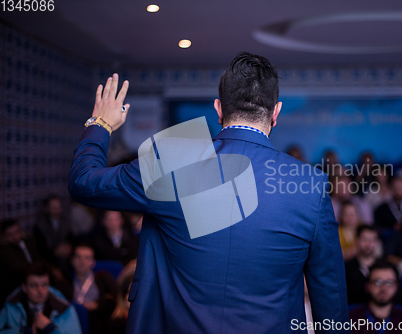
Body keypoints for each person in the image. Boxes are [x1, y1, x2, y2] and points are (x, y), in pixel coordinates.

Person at [68, 52, 349, 333]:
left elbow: (83, 181)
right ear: (276, 112)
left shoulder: (172, 159)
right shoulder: (309, 183)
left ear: (218, 109)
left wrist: (100, 124)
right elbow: (330, 300)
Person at [0, 262, 81, 334]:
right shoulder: (11, 304)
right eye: (34, 285)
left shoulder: (63, 307)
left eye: (44, 285)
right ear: (24, 288)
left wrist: (51, 329)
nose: (40, 290)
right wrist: (22, 331)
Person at [349, 261, 402, 334]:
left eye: (389, 282)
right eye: (377, 282)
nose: (383, 288)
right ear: (367, 286)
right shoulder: (351, 318)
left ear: (396, 286)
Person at [69, 243, 117, 334]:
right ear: (72, 260)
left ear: (93, 262)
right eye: (79, 257)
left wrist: (96, 305)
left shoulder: (103, 277)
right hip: (75, 322)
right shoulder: (65, 282)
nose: (83, 261)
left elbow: (115, 296)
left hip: (100, 321)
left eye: (87, 258)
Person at [0, 219, 39, 306]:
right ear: (4, 236)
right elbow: (18, 267)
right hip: (17, 285)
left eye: (17, 232)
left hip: (36, 278)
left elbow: (38, 258)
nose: (15, 236)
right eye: (10, 234)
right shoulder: (4, 250)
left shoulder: (28, 241)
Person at [33, 194, 73, 273]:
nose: (57, 210)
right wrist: (55, 252)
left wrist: (69, 247)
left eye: (59, 207)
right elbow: (40, 249)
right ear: (47, 208)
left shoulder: (65, 221)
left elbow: (71, 238)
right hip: (50, 261)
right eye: (54, 208)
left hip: (66, 259)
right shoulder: (40, 225)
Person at [344, 226, 380, 305]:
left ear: (376, 242)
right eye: (365, 239)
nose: (368, 244)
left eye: (372, 240)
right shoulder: (346, 267)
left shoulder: (383, 267)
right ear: (357, 240)